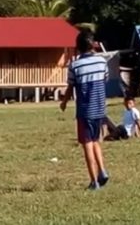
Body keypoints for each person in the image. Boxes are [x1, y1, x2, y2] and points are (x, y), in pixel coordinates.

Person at [60, 30, 110, 190]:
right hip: (100, 109)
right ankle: (102, 171)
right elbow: (105, 79)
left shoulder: (75, 65)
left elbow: (70, 86)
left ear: (78, 47)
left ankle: (94, 181)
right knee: (96, 141)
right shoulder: (102, 62)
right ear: (92, 45)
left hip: (85, 111)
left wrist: (64, 102)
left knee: (87, 143)